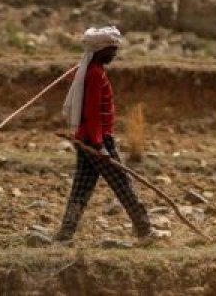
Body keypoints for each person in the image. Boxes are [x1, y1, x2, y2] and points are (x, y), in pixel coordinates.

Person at [55, 26, 164, 244]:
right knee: (122, 184)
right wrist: (101, 146)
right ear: (100, 50)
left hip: (86, 138)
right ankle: (144, 230)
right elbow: (93, 112)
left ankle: (64, 236)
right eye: (111, 50)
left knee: (81, 188)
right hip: (97, 140)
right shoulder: (94, 74)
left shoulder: (88, 71)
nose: (115, 54)